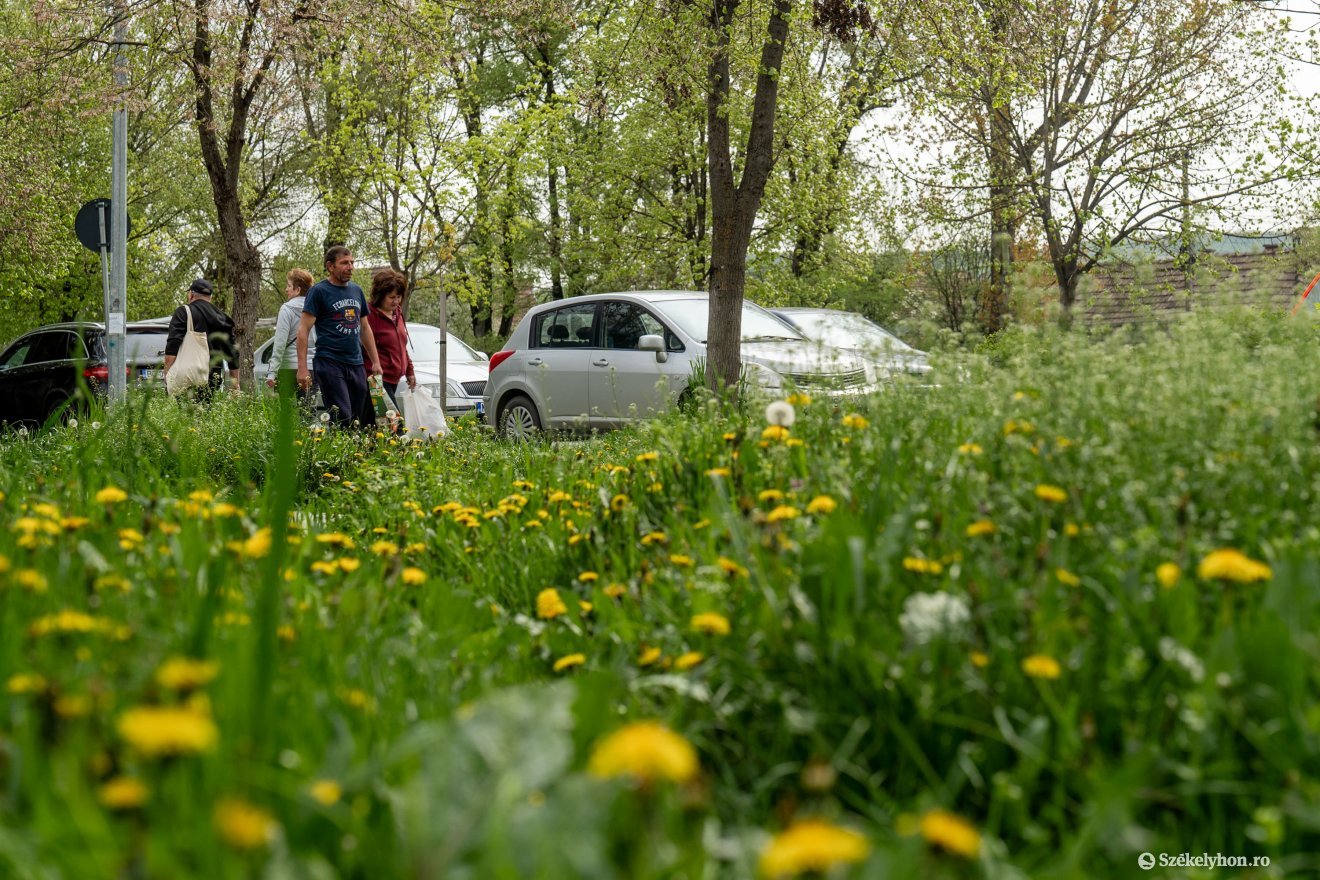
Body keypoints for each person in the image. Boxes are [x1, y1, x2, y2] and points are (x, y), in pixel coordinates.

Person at [296, 246, 382, 427]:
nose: (350, 267)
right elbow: (303, 330)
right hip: (329, 361)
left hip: (356, 362)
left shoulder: (356, 291)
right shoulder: (319, 291)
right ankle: (339, 443)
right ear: (330, 266)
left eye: (352, 262)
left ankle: (349, 445)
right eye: (344, 263)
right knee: (342, 415)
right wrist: (302, 368)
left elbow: (365, 328)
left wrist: (375, 361)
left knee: (357, 419)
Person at [163, 278, 238, 401]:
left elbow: (173, 344)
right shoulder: (223, 318)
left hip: (188, 374)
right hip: (213, 376)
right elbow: (232, 353)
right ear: (210, 297)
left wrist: (167, 372)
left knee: (184, 410)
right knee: (205, 410)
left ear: (191, 294)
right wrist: (235, 384)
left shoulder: (184, 312)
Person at [361, 268, 416, 411]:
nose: (396, 301)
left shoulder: (397, 313)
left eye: (399, 296)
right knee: (393, 421)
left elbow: (401, 346)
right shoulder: (369, 315)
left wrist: (409, 370)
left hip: (394, 378)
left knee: (377, 422)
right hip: (377, 378)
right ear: (380, 295)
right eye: (391, 297)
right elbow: (363, 344)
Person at [267, 268, 317, 403]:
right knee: (308, 410)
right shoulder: (316, 309)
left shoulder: (286, 309)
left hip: (287, 367)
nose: (286, 289)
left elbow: (280, 343)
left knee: (286, 410)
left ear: (298, 290)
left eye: (289, 286)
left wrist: (272, 372)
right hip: (310, 366)